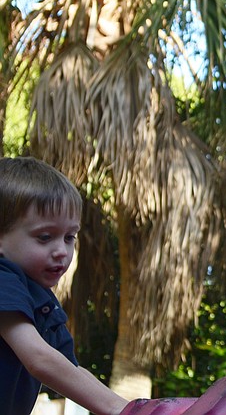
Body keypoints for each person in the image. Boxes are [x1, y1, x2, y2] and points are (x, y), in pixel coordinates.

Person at [0, 156, 129, 415]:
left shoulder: (40, 300)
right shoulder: (3, 280)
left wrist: (131, 408)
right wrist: (121, 409)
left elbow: (71, 370)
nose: (62, 251)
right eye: (45, 237)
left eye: (70, 237)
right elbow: (38, 358)